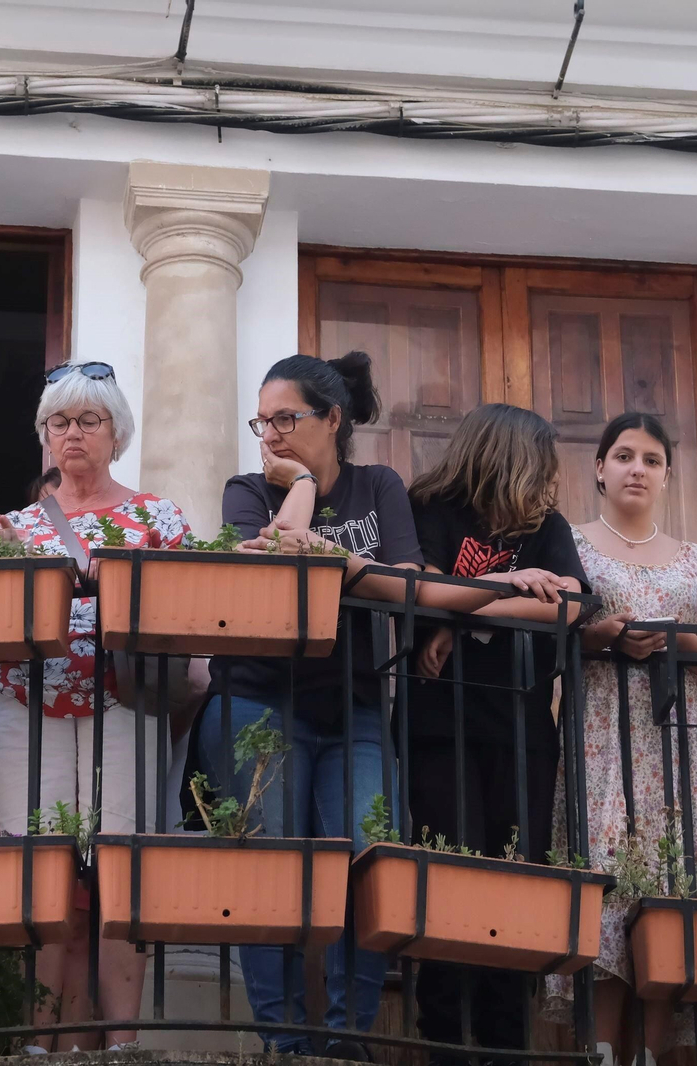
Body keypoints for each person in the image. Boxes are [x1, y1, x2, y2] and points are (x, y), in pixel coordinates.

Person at [204, 352, 501, 1057]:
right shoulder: (246, 490)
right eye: (263, 420)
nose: (270, 434)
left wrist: (341, 565)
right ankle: (282, 1041)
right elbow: (276, 571)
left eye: (287, 418)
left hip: (355, 705)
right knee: (268, 869)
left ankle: (346, 1040)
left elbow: (407, 580)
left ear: (333, 418)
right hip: (256, 701)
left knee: (371, 864)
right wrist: (301, 485)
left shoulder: (378, 486)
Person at [0, 361, 189, 1051]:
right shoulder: (10, 526)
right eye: (60, 421)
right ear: (45, 434)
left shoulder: (157, 516)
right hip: (24, 705)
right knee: (42, 870)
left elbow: (183, 618)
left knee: (122, 869)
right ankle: (41, 1041)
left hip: (123, 702)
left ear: (117, 432)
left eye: (88, 420)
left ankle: (123, 1044)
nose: (73, 433)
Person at [542, 412, 697, 1062]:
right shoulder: (568, 543)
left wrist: (677, 634)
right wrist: (596, 636)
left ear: (665, 475)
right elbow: (551, 630)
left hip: (682, 740)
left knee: (670, 890)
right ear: (599, 468)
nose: (637, 468)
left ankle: (655, 1054)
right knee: (607, 883)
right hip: (602, 731)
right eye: (624, 455)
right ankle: (600, 1051)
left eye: (651, 459)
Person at [405, 404, 586, 1055]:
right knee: (449, 882)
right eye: (539, 460)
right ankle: (445, 1042)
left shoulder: (548, 525)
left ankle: (508, 1044)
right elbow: (416, 587)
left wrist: (461, 612)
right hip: (437, 726)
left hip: (523, 729)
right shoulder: (430, 506)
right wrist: (499, 588)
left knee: (517, 887)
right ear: (509, 457)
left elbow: (568, 602)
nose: (547, 476)